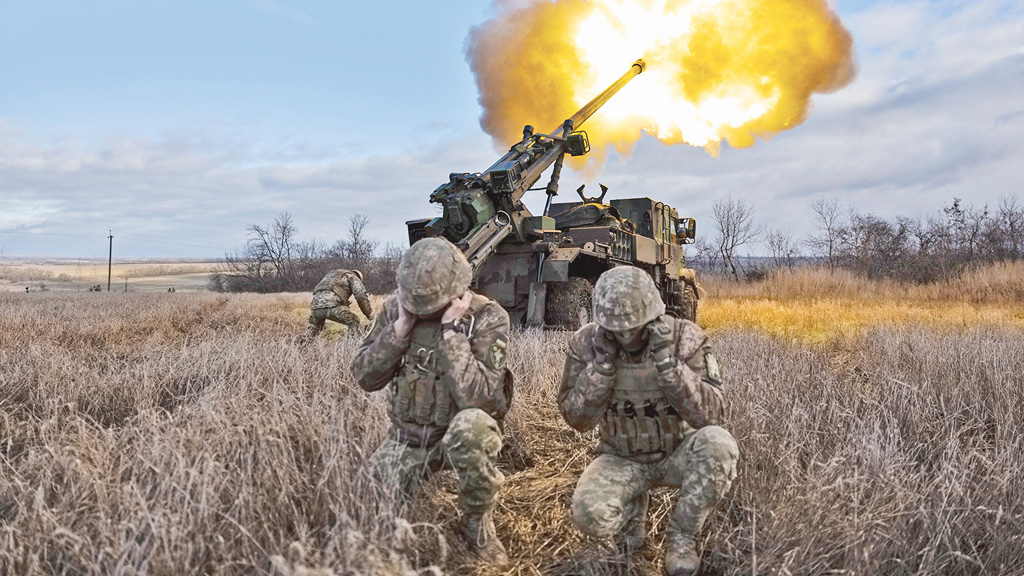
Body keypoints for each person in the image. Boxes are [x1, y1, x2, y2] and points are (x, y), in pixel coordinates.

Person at [557, 266, 738, 576]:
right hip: (621, 457)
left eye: (634, 327)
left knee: (720, 446)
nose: (626, 336)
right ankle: (632, 525)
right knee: (589, 514)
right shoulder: (587, 344)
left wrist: (670, 367)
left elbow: (713, 414)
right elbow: (577, 418)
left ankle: (682, 538)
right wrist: (600, 370)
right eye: (617, 329)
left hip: (678, 452)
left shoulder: (685, 337)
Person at [351, 237, 513, 565]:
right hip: (409, 438)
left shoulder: (487, 316)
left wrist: (452, 334)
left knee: (475, 428)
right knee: (367, 505)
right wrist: (398, 332)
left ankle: (476, 523)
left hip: (459, 434)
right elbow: (365, 377)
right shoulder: (396, 309)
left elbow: (477, 397)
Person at [302, 268, 373, 341]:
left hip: (315, 307)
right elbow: (361, 296)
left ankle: (301, 347)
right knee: (354, 321)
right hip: (332, 306)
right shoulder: (353, 277)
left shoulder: (332, 274)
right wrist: (369, 314)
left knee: (315, 327)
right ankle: (349, 346)